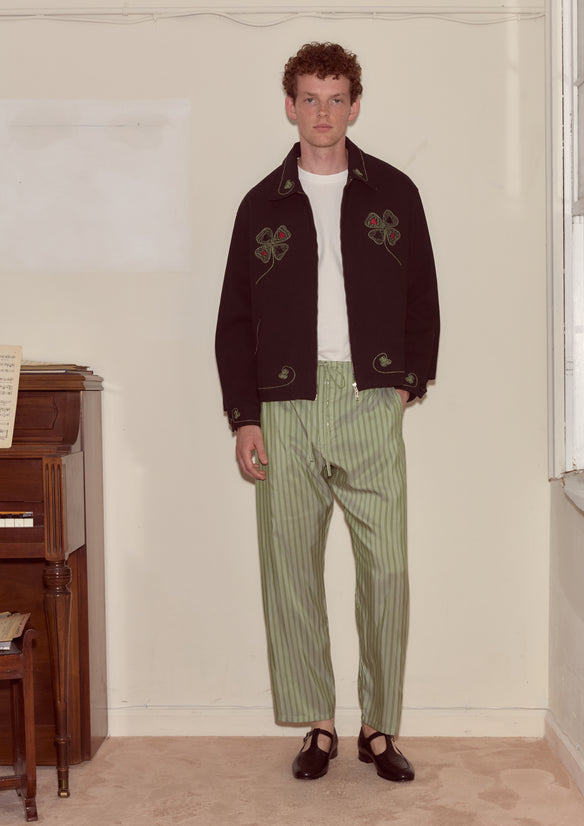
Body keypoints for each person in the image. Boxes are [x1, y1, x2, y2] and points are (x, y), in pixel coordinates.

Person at [215, 42, 439, 782]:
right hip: (284, 403)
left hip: (370, 395)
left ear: (355, 105)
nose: (322, 112)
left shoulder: (394, 193)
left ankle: (378, 727)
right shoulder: (260, 204)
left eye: (335, 97)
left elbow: (423, 298)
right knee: (290, 570)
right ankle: (318, 725)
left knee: (386, 571)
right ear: (289, 105)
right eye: (309, 97)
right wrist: (244, 414)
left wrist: (409, 381)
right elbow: (233, 319)